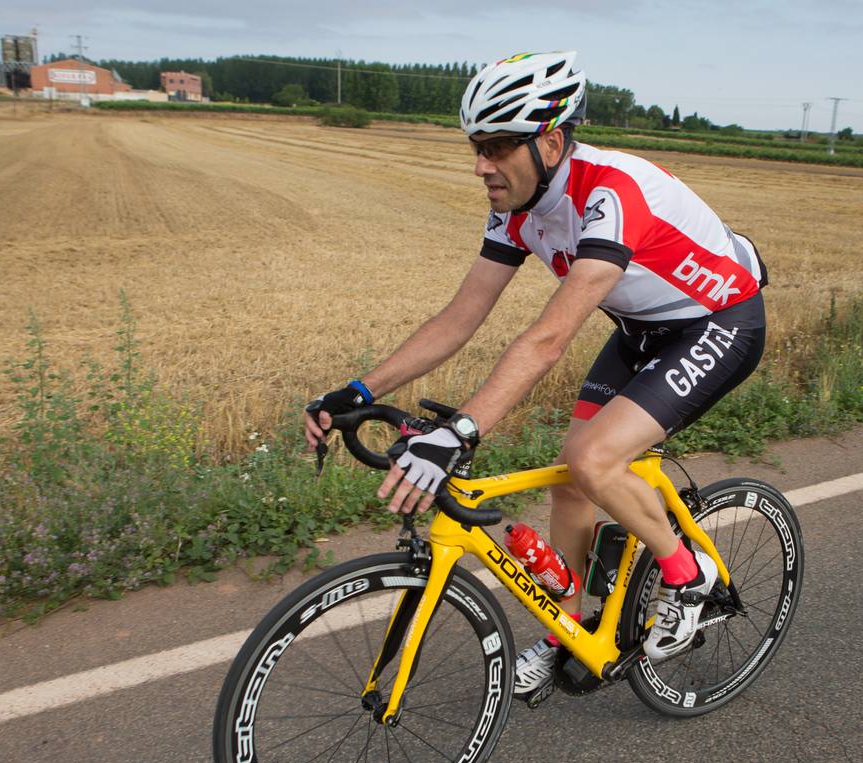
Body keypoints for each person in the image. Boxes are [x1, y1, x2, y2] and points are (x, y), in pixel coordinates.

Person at [304, 50, 768, 699]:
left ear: (548, 140)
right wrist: (356, 392)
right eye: (475, 146)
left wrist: (461, 430)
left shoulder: (611, 194)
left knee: (590, 457)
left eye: (495, 147)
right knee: (571, 487)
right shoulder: (518, 204)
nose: (479, 165)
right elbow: (458, 318)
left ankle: (686, 575)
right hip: (642, 332)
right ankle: (566, 628)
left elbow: (548, 338)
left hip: (718, 324)